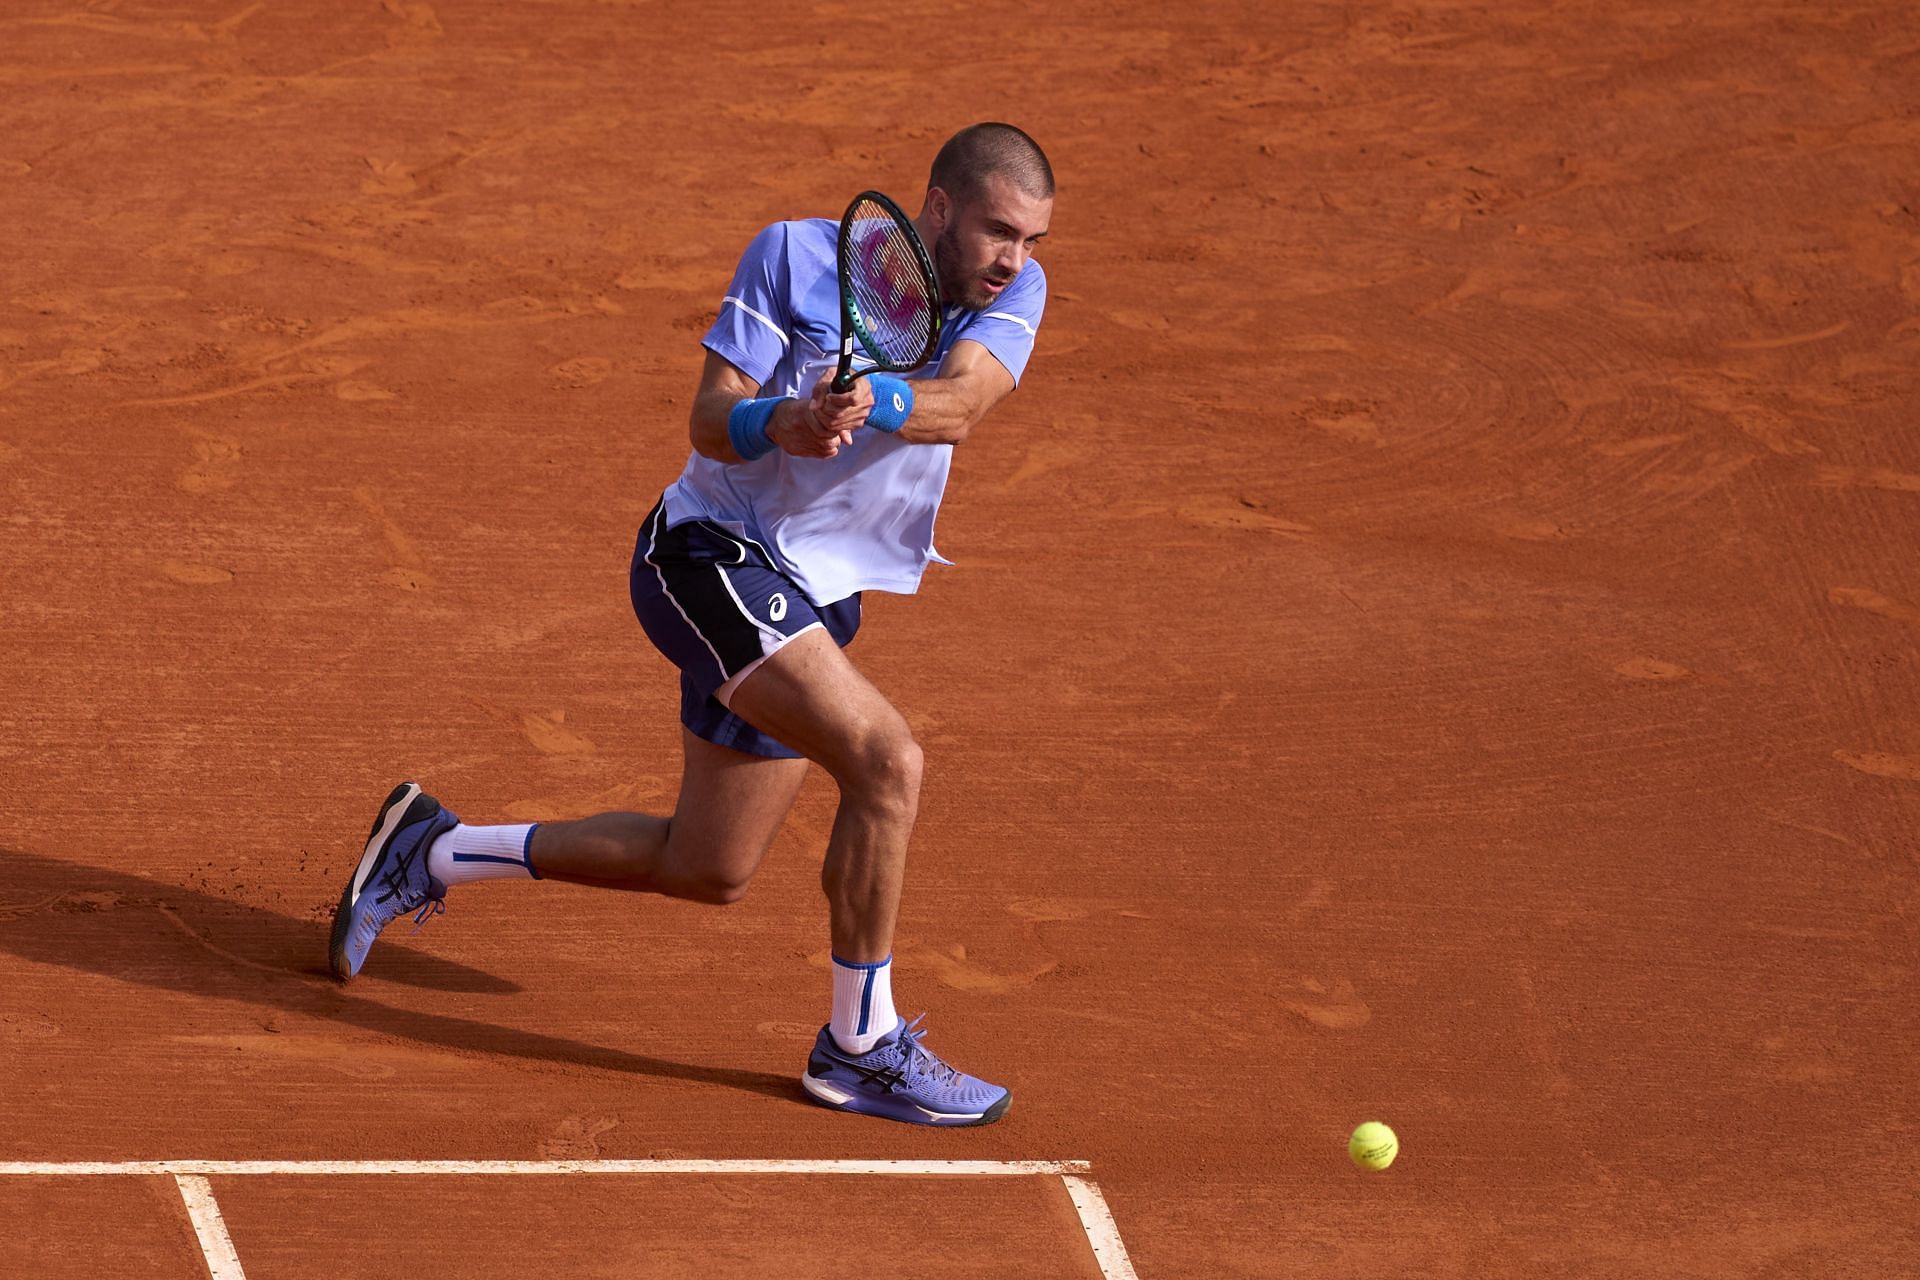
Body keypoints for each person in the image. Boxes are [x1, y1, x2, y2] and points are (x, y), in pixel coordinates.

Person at [329, 122, 1054, 1128]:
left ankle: (432, 849)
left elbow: (959, 404)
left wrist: (869, 396)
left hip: (812, 594)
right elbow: (712, 417)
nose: (1014, 258)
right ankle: (860, 1044)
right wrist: (781, 422)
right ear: (938, 209)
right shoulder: (795, 256)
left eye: (1029, 239)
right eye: (997, 231)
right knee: (887, 762)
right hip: (710, 555)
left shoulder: (1012, 290)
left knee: (707, 865)